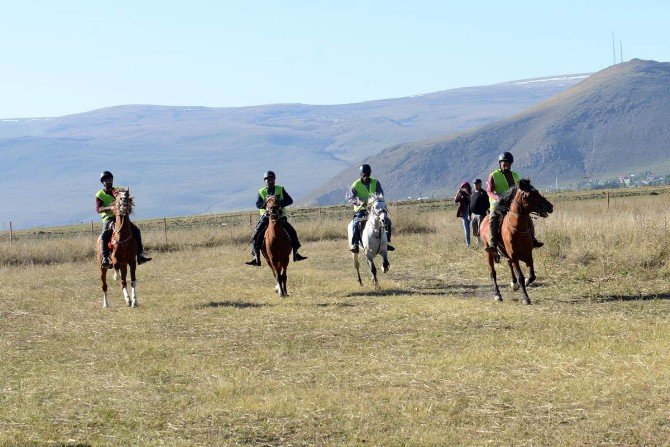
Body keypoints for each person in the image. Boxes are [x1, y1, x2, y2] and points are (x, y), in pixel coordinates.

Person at [245, 171, 307, 266]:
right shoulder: (261, 191)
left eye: (272, 179)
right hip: (266, 217)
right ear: (265, 181)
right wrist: (266, 205)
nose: (270, 181)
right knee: (256, 235)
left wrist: (279, 204)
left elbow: (290, 200)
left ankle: (296, 254)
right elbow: (258, 204)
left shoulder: (280, 189)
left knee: (292, 232)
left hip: (280, 217)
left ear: (275, 179)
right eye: (268, 179)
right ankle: (256, 258)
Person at [485, 152, 543, 252]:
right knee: (493, 218)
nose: (507, 165)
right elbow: (489, 191)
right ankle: (493, 243)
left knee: (527, 217)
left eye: (509, 163)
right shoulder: (493, 175)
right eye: (504, 163)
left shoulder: (515, 175)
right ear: (500, 163)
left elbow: (520, 190)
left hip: (512, 204)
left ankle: (533, 239)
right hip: (498, 204)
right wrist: (497, 197)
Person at [96, 171, 152, 268]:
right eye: (105, 179)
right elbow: (99, 209)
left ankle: (140, 255)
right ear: (102, 182)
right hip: (109, 218)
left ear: (112, 179)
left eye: (109, 178)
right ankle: (105, 258)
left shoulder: (118, 191)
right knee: (104, 236)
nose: (108, 181)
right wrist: (110, 208)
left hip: (121, 217)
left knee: (136, 231)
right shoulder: (100, 194)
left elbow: (126, 200)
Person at [346, 164, 394, 253]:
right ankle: (355, 244)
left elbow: (381, 194)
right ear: (361, 174)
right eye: (364, 175)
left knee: (387, 221)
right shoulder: (356, 184)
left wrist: (377, 201)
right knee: (356, 223)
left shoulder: (375, 182)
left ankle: (387, 242)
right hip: (362, 210)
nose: (366, 177)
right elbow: (350, 198)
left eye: (368, 174)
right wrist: (359, 202)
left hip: (374, 209)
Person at [454, 181, 472, 247]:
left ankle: (478, 241)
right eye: (463, 187)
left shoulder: (471, 193)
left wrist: (467, 192)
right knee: (466, 230)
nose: (464, 188)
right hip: (464, 213)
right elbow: (455, 201)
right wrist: (458, 192)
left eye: (465, 187)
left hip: (471, 212)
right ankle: (468, 244)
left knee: (475, 228)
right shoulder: (461, 194)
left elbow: (471, 199)